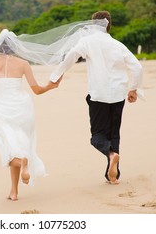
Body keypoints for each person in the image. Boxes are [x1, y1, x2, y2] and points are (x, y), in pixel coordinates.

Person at [49, 11, 143, 185]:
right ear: (109, 25)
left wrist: (56, 76)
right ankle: (113, 176)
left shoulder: (87, 42)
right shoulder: (117, 44)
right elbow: (137, 67)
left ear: (93, 24)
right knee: (114, 134)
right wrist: (134, 89)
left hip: (98, 95)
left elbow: (71, 56)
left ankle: (111, 155)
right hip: (118, 95)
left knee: (97, 136)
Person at [0, 37, 61, 201]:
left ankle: (23, 162)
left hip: (1, 109)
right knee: (19, 144)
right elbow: (36, 90)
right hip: (22, 108)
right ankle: (14, 192)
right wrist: (50, 86)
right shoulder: (23, 63)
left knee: (9, 147)